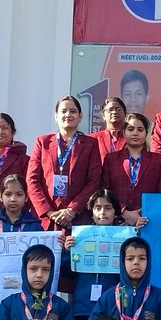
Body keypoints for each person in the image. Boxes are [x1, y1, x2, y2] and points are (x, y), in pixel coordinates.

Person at [26, 95, 103, 231]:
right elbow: (32, 180)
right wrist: (49, 212)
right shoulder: (42, 142)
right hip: (46, 220)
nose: (68, 115)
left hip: (78, 219)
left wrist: (72, 210)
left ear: (80, 116)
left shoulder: (91, 144)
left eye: (73, 111)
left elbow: (94, 181)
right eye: (63, 111)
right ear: (56, 116)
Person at [63, 190, 124, 320]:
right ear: (91, 212)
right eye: (98, 208)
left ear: (115, 212)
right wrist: (68, 252)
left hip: (113, 308)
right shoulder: (80, 237)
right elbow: (68, 272)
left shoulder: (125, 237)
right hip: (83, 306)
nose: (102, 212)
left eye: (108, 208)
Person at [102, 112, 161, 226]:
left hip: (148, 221)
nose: (135, 133)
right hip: (117, 221)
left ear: (146, 133)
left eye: (140, 129)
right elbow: (105, 190)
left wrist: (142, 215)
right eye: (131, 129)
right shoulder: (111, 159)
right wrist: (124, 212)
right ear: (124, 133)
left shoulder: (159, 160)